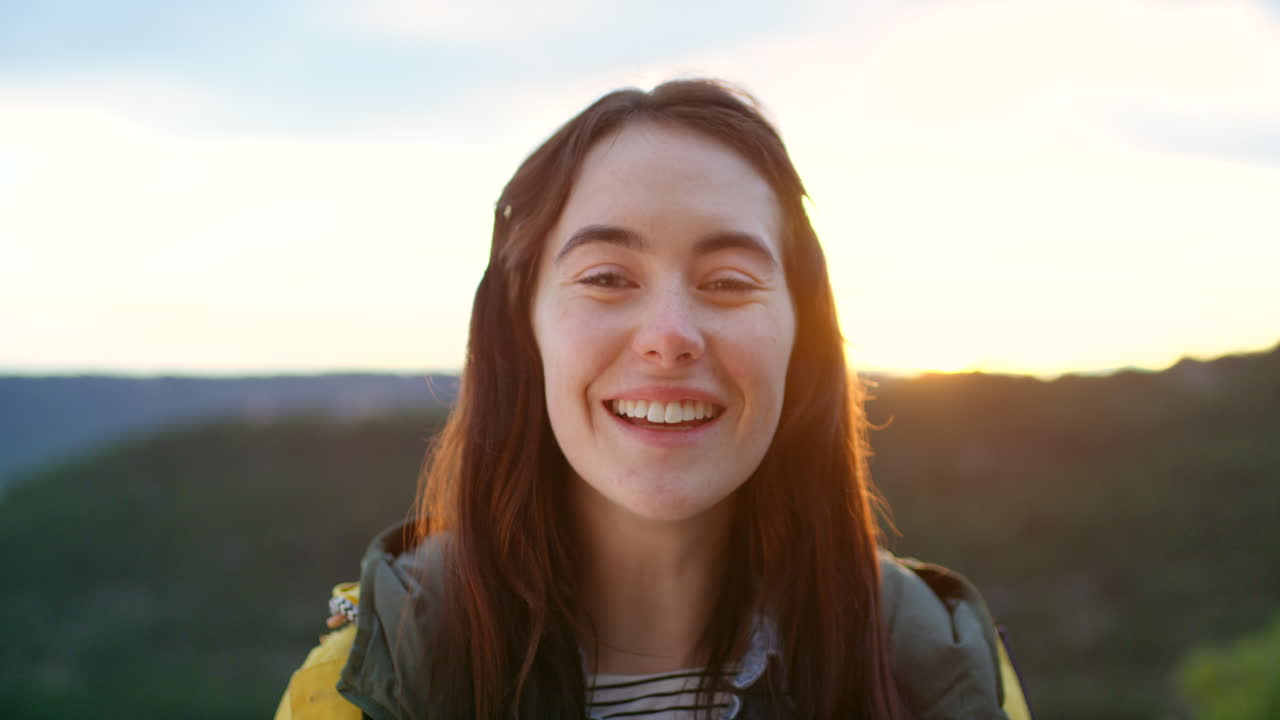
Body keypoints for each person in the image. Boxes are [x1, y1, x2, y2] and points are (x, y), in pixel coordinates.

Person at [275, 79, 1031, 720]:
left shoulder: (936, 666)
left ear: (802, 340)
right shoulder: (366, 687)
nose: (669, 338)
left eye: (729, 282)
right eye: (607, 277)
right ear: (521, 329)